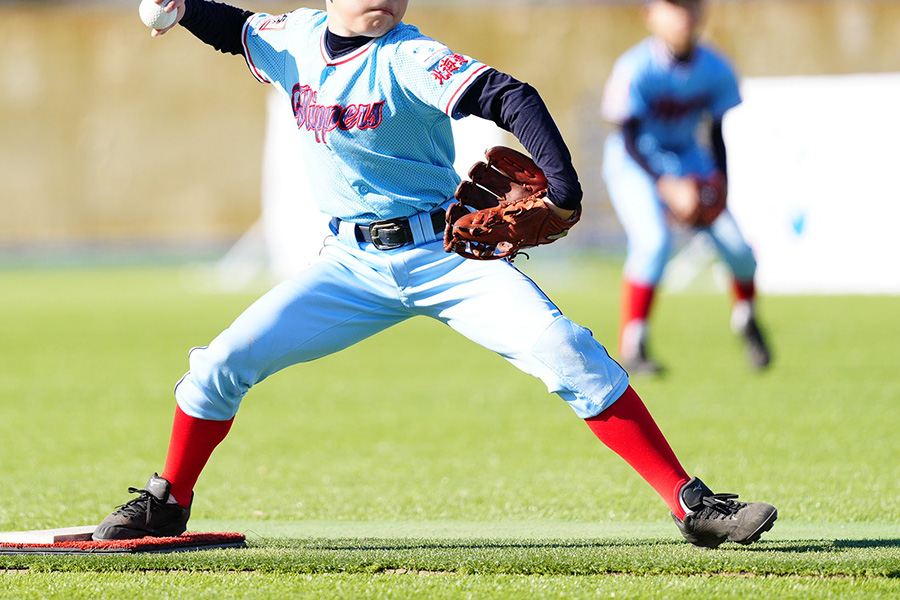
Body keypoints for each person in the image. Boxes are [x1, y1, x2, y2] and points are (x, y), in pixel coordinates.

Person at [93, 0, 777, 549]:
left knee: (564, 348)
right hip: (349, 265)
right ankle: (167, 502)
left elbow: (511, 96)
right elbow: (237, 29)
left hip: (443, 251)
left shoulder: (409, 55)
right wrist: (183, 9)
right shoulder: (294, 38)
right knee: (220, 364)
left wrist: (563, 188)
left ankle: (691, 503)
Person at [601, 0, 771, 375]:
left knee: (739, 249)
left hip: (688, 159)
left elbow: (715, 132)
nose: (682, 15)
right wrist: (665, 185)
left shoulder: (716, 67)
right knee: (653, 242)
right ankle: (634, 343)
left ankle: (746, 319)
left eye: (689, 6)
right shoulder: (635, 67)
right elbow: (626, 135)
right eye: (673, 7)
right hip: (635, 163)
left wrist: (719, 184)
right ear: (650, 15)